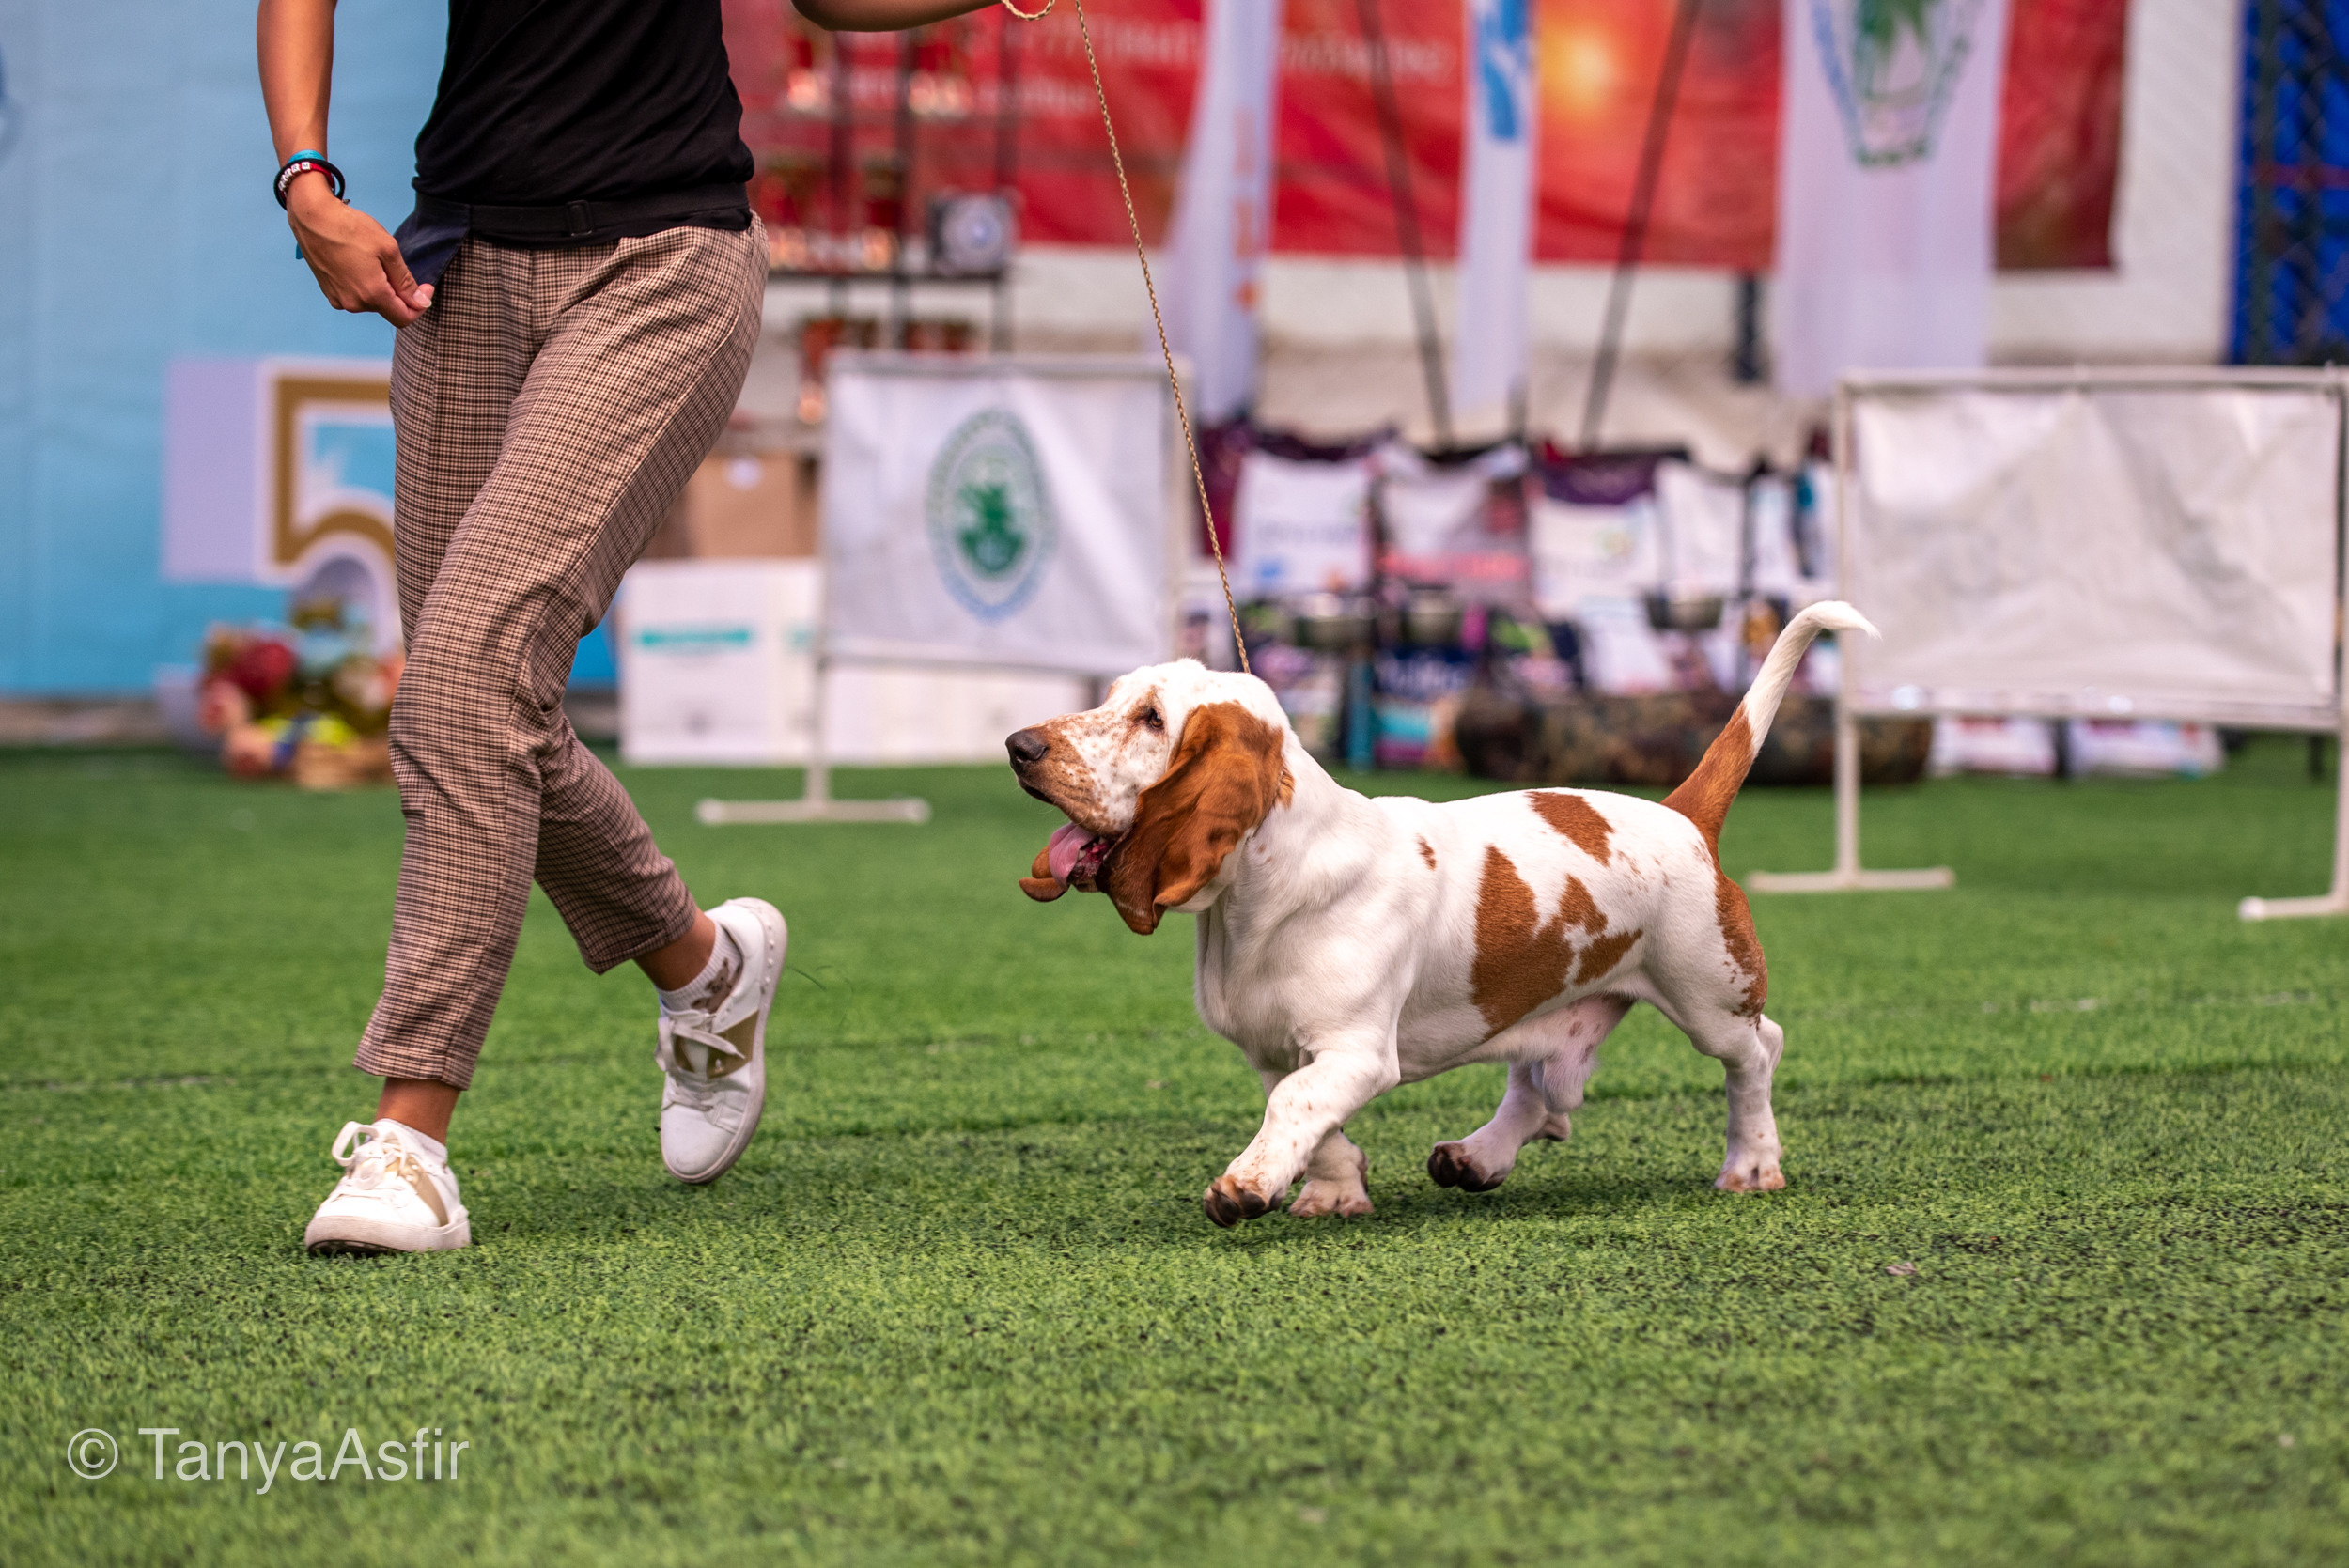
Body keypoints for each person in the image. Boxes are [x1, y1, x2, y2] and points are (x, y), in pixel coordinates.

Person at [259, 0, 1002, 1253]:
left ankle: (410, 1141)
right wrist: (304, 179)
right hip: (461, 273)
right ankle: (706, 970)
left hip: (665, 266)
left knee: (468, 678)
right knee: (482, 703)